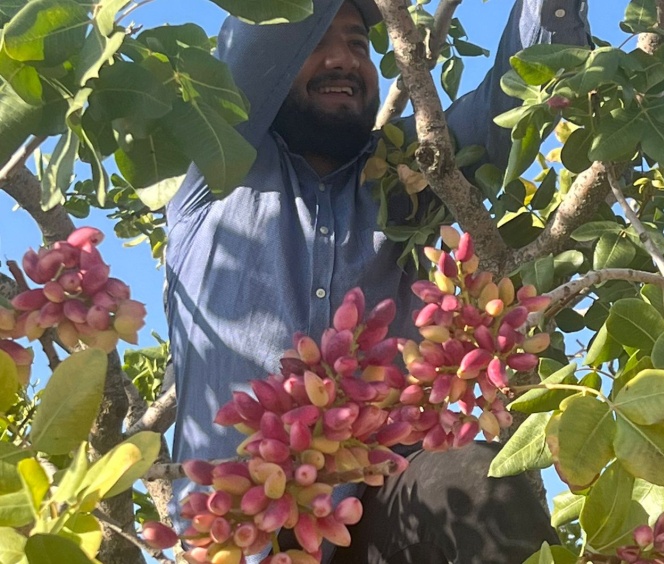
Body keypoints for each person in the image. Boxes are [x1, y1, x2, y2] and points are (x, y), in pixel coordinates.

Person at [165, 1, 590, 562]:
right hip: (241, 521)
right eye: (315, 41)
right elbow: (256, 38)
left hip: (377, 512)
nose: (342, 59)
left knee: (476, 481)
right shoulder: (221, 162)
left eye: (360, 46)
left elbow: (516, 102)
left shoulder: (407, 172)